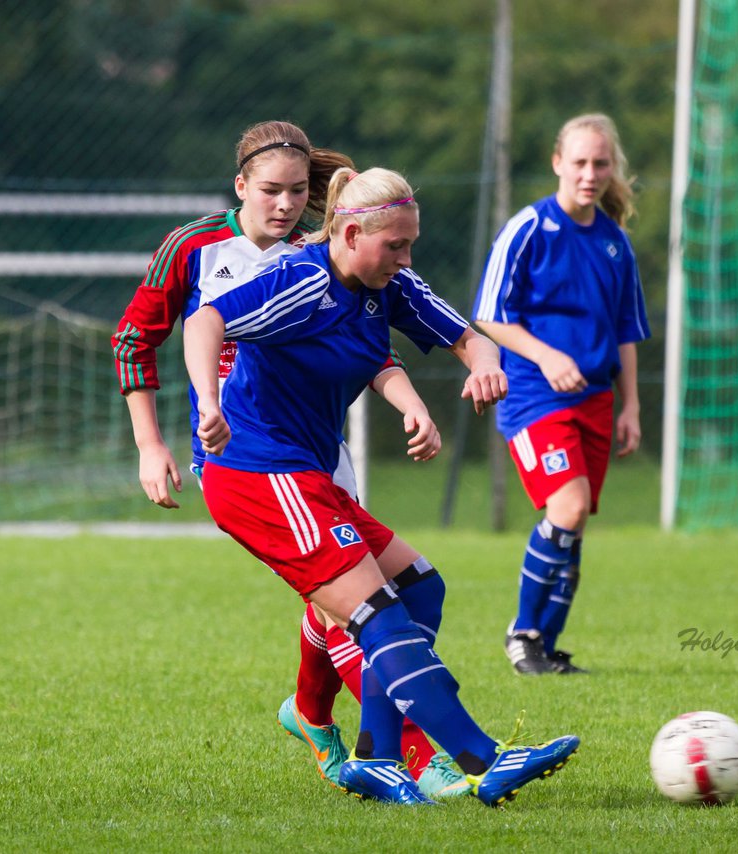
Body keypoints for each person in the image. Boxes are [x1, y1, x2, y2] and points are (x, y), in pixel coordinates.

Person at [182, 165, 580, 806]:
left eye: (410, 243)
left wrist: (479, 370)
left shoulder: (388, 285)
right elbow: (204, 323)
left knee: (422, 588)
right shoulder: (299, 283)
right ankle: (484, 758)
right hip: (257, 474)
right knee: (378, 614)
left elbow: (469, 339)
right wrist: (208, 400)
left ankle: (378, 757)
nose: (405, 256)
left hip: (305, 475)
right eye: (394, 245)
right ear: (347, 232)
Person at [112, 121, 464, 798]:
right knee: (358, 606)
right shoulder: (193, 248)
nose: (283, 204)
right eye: (270, 190)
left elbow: (371, 345)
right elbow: (134, 338)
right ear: (240, 185)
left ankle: (312, 716)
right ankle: (423, 757)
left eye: (297, 192)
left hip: (320, 452)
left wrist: (409, 398)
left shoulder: (326, 252)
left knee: (349, 600)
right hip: (244, 453)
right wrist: (150, 445)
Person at [472, 113, 651, 676]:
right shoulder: (528, 228)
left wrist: (633, 407)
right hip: (533, 397)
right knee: (566, 507)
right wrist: (547, 356)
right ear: (557, 163)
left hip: (596, 400)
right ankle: (521, 636)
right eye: (579, 162)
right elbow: (489, 316)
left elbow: (626, 329)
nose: (590, 173)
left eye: (601, 163)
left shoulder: (615, 242)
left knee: (573, 526)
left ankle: (546, 648)